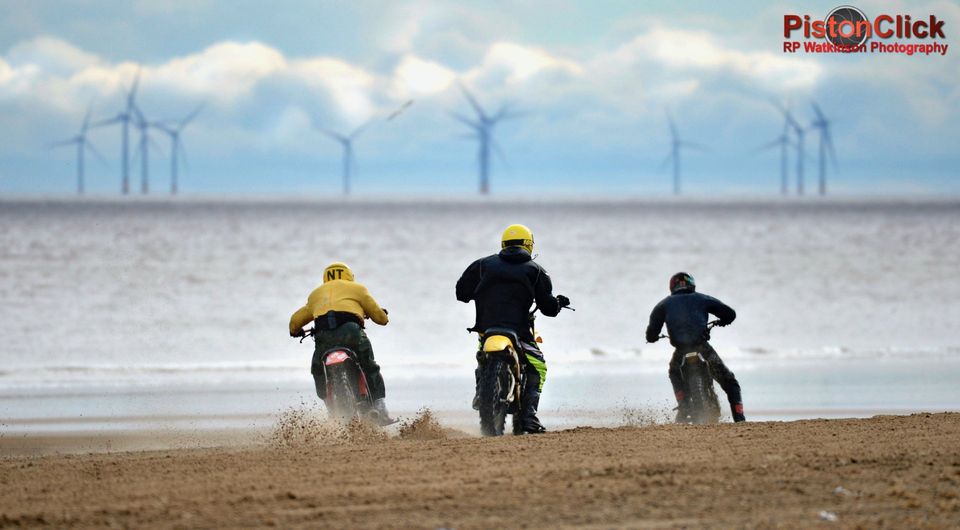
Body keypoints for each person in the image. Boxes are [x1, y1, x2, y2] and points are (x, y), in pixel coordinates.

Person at [456, 224, 571, 434]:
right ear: (529, 245)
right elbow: (548, 309)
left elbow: (461, 293)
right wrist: (559, 303)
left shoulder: (482, 265)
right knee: (538, 366)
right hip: (519, 330)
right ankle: (529, 417)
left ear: (503, 244)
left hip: (487, 329)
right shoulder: (536, 271)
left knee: (482, 357)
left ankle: (481, 392)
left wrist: (482, 292)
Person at [289, 262, 393, 423]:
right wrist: (383, 316)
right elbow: (380, 318)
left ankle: (330, 409)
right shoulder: (358, 289)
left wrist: (295, 331)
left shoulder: (315, 294)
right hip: (351, 332)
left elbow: (295, 321)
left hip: (324, 338)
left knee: (317, 369)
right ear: (348, 276)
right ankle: (380, 405)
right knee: (369, 365)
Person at [645, 272, 746, 423]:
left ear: (672, 287)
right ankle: (739, 418)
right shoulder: (703, 299)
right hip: (703, 349)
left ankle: (684, 404)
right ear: (692, 284)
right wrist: (722, 321)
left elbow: (651, 333)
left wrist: (653, 338)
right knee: (730, 383)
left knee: (674, 372)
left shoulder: (663, 305)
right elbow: (730, 314)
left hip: (681, 352)